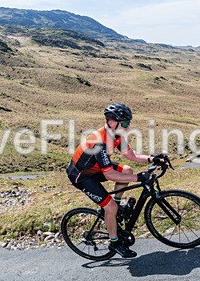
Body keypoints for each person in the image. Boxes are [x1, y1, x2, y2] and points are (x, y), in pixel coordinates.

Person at [66, 103, 166, 258]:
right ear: (112, 122)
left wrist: (153, 159)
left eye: (129, 123)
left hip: (95, 168)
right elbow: (110, 175)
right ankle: (115, 242)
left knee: (127, 170)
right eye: (125, 123)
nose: (127, 126)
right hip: (81, 176)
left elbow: (131, 156)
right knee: (110, 207)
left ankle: (116, 209)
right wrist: (138, 178)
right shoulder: (98, 142)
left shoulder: (117, 135)